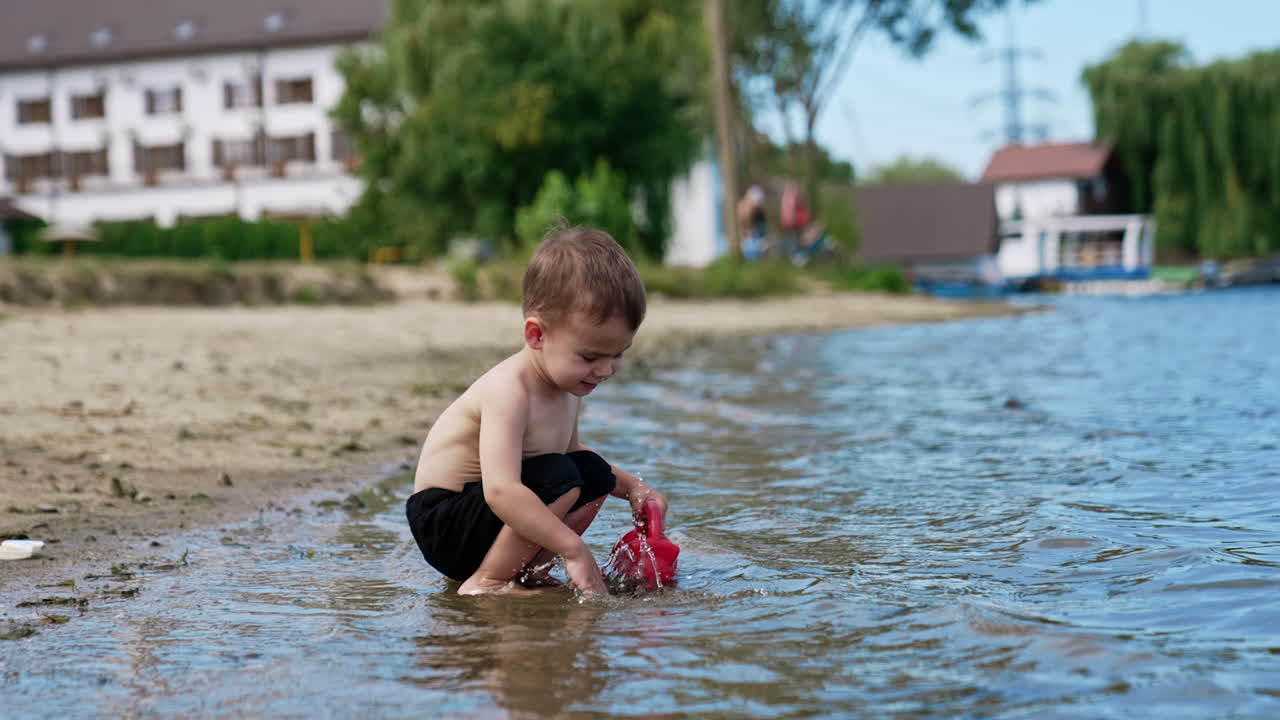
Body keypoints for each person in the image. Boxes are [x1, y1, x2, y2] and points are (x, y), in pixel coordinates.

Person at [405, 224, 669, 596]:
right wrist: (574, 550)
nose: (606, 370)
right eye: (591, 356)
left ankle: (527, 573)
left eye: (618, 355)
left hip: (491, 520)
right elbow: (500, 490)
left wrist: (636, 489)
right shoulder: (509, 389)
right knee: (559, 476)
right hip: (446, 524)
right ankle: (489, 581)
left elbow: (574, 454)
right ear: (536, 335)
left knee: (592, 474)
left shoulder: (567, 387)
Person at [737, 185, 768, 260]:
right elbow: (745, 222)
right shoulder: (744, 208)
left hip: (758, 236)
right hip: (751, 238)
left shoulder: (759, 211)